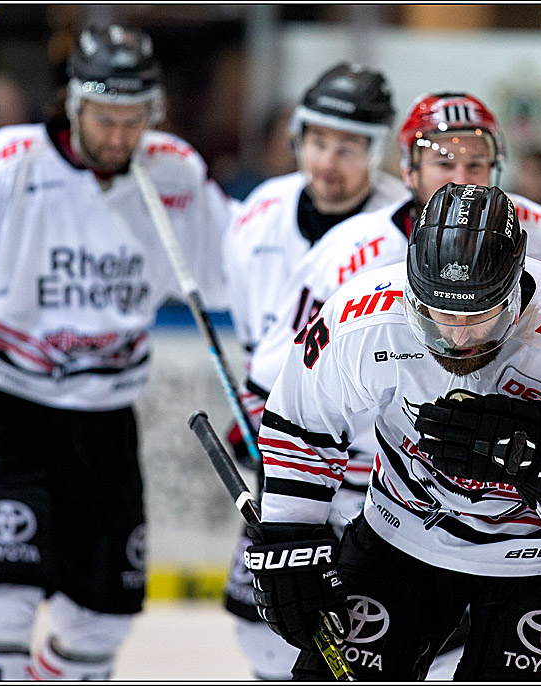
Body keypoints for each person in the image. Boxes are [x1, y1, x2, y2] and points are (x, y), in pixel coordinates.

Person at [245, 182, 541, 681]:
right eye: (438, 316)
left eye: (479, 319)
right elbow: (303, 420)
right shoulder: (363, 318)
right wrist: (291, 533)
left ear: (514, 287)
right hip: (401, 537)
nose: (457, 338)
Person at [0, 26, 233, 680]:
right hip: (4, 414)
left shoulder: (172, 171)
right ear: (70, 102)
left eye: (134, 120)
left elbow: (240, 268)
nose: (120, 137)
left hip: (105, 420)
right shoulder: (3, 163)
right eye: (105, 119)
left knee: (102, 622)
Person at [243, 90, 541, 679]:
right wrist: (286, 497)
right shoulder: (351, 250)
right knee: (291, 643)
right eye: (444, 162)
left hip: (479, 491)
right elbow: (279, 372)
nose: (460, 177)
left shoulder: (532, 228)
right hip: (361, 494)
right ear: (409, 167)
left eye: (476, 163)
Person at [220, 62, 407, 680]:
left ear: (377, 153)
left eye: (349, 147)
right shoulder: (258, 216)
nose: (329, 161)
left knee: (365, 631)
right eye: (319, 141)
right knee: (264, 623)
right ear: (298, 137)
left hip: (373, 476)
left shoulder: (401, 230)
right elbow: (255, 337)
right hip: (289, 458)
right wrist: (260, 416)